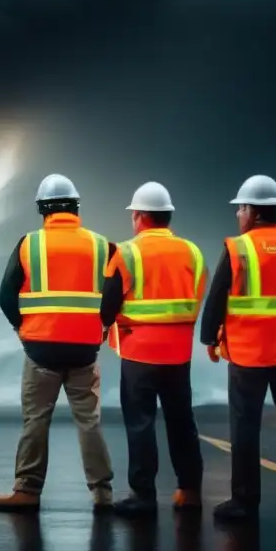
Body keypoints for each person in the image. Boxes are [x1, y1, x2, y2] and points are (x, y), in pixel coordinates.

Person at [199, 175, 276, 522]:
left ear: (253, 212)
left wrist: (209, 339)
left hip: (248, 357)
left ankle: (245, 501)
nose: (238, 215)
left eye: (240, 208)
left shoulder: (239, 248)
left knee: (245, 428)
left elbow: (216, 299)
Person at [0, 174, 115, 513]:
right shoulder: (103, 245)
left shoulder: (28, 244)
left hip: (40, 351)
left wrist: (23, 328)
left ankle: (27, 491)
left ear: (42, 210)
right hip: (84, 351)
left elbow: (5, 296)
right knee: (88, 421)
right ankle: (103, 494)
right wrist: (102, 327)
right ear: (76, 208)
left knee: (36, 420)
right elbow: (117, 293)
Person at [100, 181, 207, 517]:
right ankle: (189, 492)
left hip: (139, 353)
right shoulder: (192, 252)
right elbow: (197, 296)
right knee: (181, 421)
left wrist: (110, 325)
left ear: (141, 217)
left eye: (134, 214)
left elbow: (108, 305)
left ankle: (143, 496)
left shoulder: (126, 253)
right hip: (179, 354)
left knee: (140, 423)